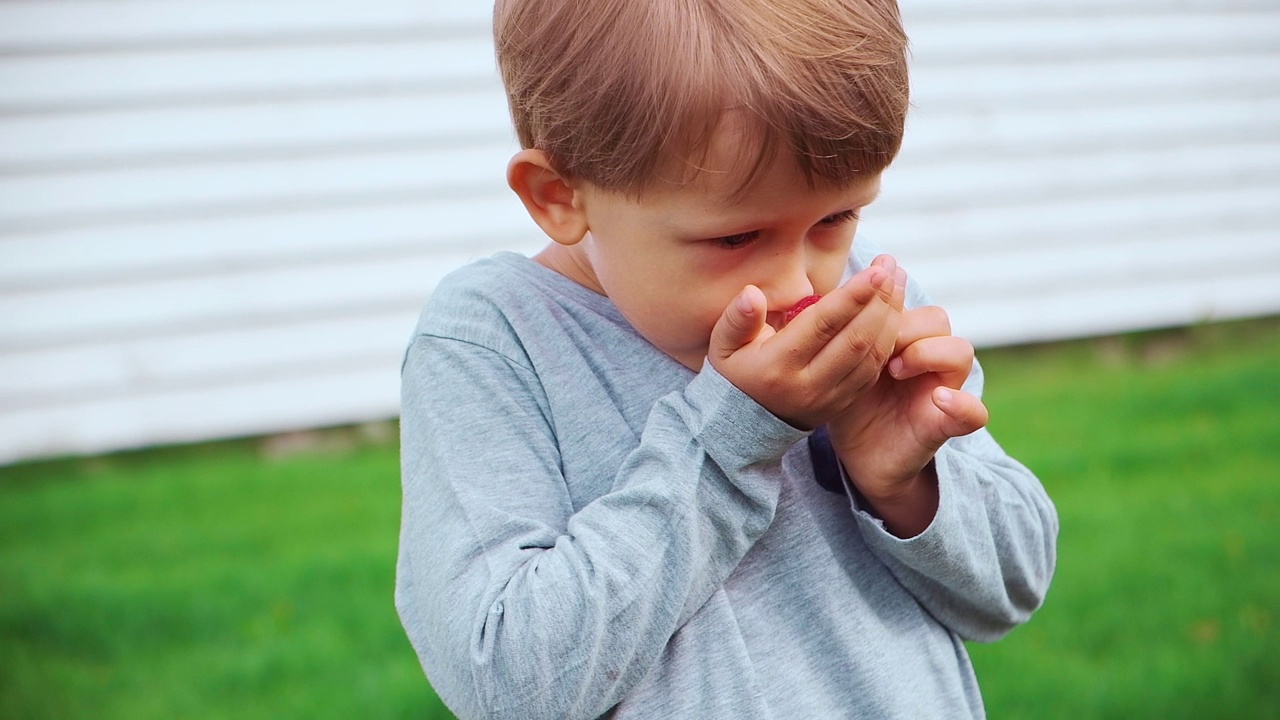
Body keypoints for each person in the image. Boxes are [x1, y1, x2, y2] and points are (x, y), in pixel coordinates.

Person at [395, 0, 1059, 717]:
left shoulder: (864, 297)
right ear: (558, 195)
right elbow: (506, 682)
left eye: (836, 218)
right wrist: (733, 438)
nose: (799, 286)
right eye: (737, 238)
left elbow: (1012, 591)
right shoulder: (493, 340)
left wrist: (906, 482)